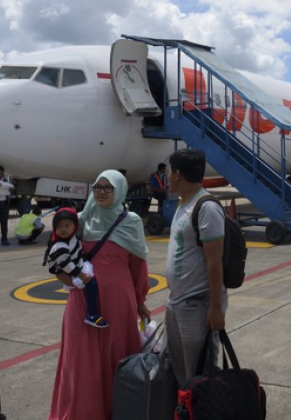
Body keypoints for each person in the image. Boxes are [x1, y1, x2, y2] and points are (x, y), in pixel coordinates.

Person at [48, 170, 150, 420]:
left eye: (108, 187)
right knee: (81, 360)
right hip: (83, 302)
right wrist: (68, 278)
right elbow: (56, 254)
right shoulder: (80, 221)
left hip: (119, 303)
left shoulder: (131, 221)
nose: (102, 192)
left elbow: (138, 266)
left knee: (118, 358)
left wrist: (140, 301)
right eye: (97, 187)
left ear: (120, 190)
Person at [165, 148, 226, 384]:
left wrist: (216, 307)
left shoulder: (206, 208)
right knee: (180, 371)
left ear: (178, 174)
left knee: (200, 373)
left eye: (170, 172)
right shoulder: (184, 204)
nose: (167, 177)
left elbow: (214, 260)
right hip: (176, 301)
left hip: (196, 304)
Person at [44, 208, 108, 329]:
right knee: (91, 284)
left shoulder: (73, 238)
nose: (63, 229)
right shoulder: (59, 246)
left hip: (76, 265)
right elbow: (67, 266)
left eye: (67, 225)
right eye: (59, 226)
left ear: (75, 226)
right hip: (70, 272)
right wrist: (81, 275)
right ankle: (92, 314)